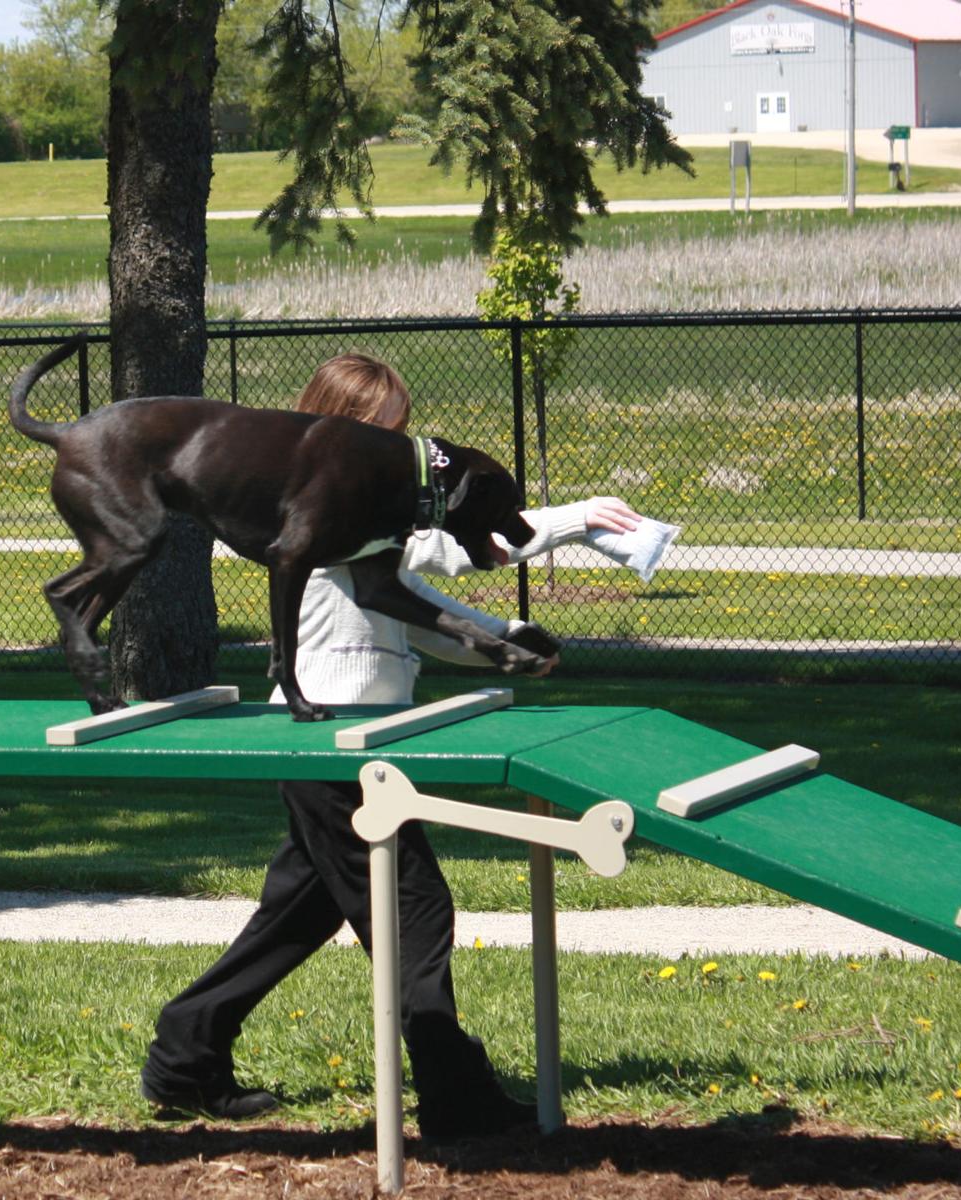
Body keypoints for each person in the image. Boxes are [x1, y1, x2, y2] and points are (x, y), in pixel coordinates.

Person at [140, 352, 641, 1138]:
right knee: (414, 907)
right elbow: (439, 556)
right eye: (389, 431)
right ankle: (456, 1093)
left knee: (299, 914)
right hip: (326, 741)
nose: (407, 455)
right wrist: (577, 519)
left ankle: (186, 1051)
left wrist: (505, 640)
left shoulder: (369, 517)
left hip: (354, 740)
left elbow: (413, 613)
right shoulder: (323, 507)